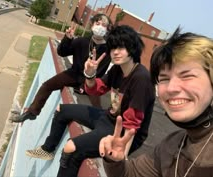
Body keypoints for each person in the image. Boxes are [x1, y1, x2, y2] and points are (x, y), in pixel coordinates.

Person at [25, 25, 155, 177]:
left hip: (121, 132)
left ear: (132, 49)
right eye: (113, 48)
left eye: (121, 47)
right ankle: (48, 149)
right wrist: (90, 74)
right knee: (62, 110)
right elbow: (96, 89)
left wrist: (122, 160)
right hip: (108, 118)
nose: (116, 52)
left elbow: (133, 124)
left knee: (71, 148)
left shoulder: (141, 78)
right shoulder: (117, 70)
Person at [99, 27, 213, 177]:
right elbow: (130, 173)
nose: (171, 88)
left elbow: (133, 119)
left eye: (187, 76)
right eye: (164, 79)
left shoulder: (139, 77)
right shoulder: (171, 144)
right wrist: (114, 159)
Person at [11, 13, 112, 123]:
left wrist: (85, 85)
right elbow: (62, 52)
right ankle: (32, 112)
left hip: (91, 80)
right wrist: (67, 39)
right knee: (46, 85)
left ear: (107, 30)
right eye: (98, 23)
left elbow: (100, 74)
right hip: (73, 74)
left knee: (96, 105)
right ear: (92, 25)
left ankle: (102, 123)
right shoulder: (81, 41)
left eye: (103, 25)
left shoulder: (108, 51)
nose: (100, 27)